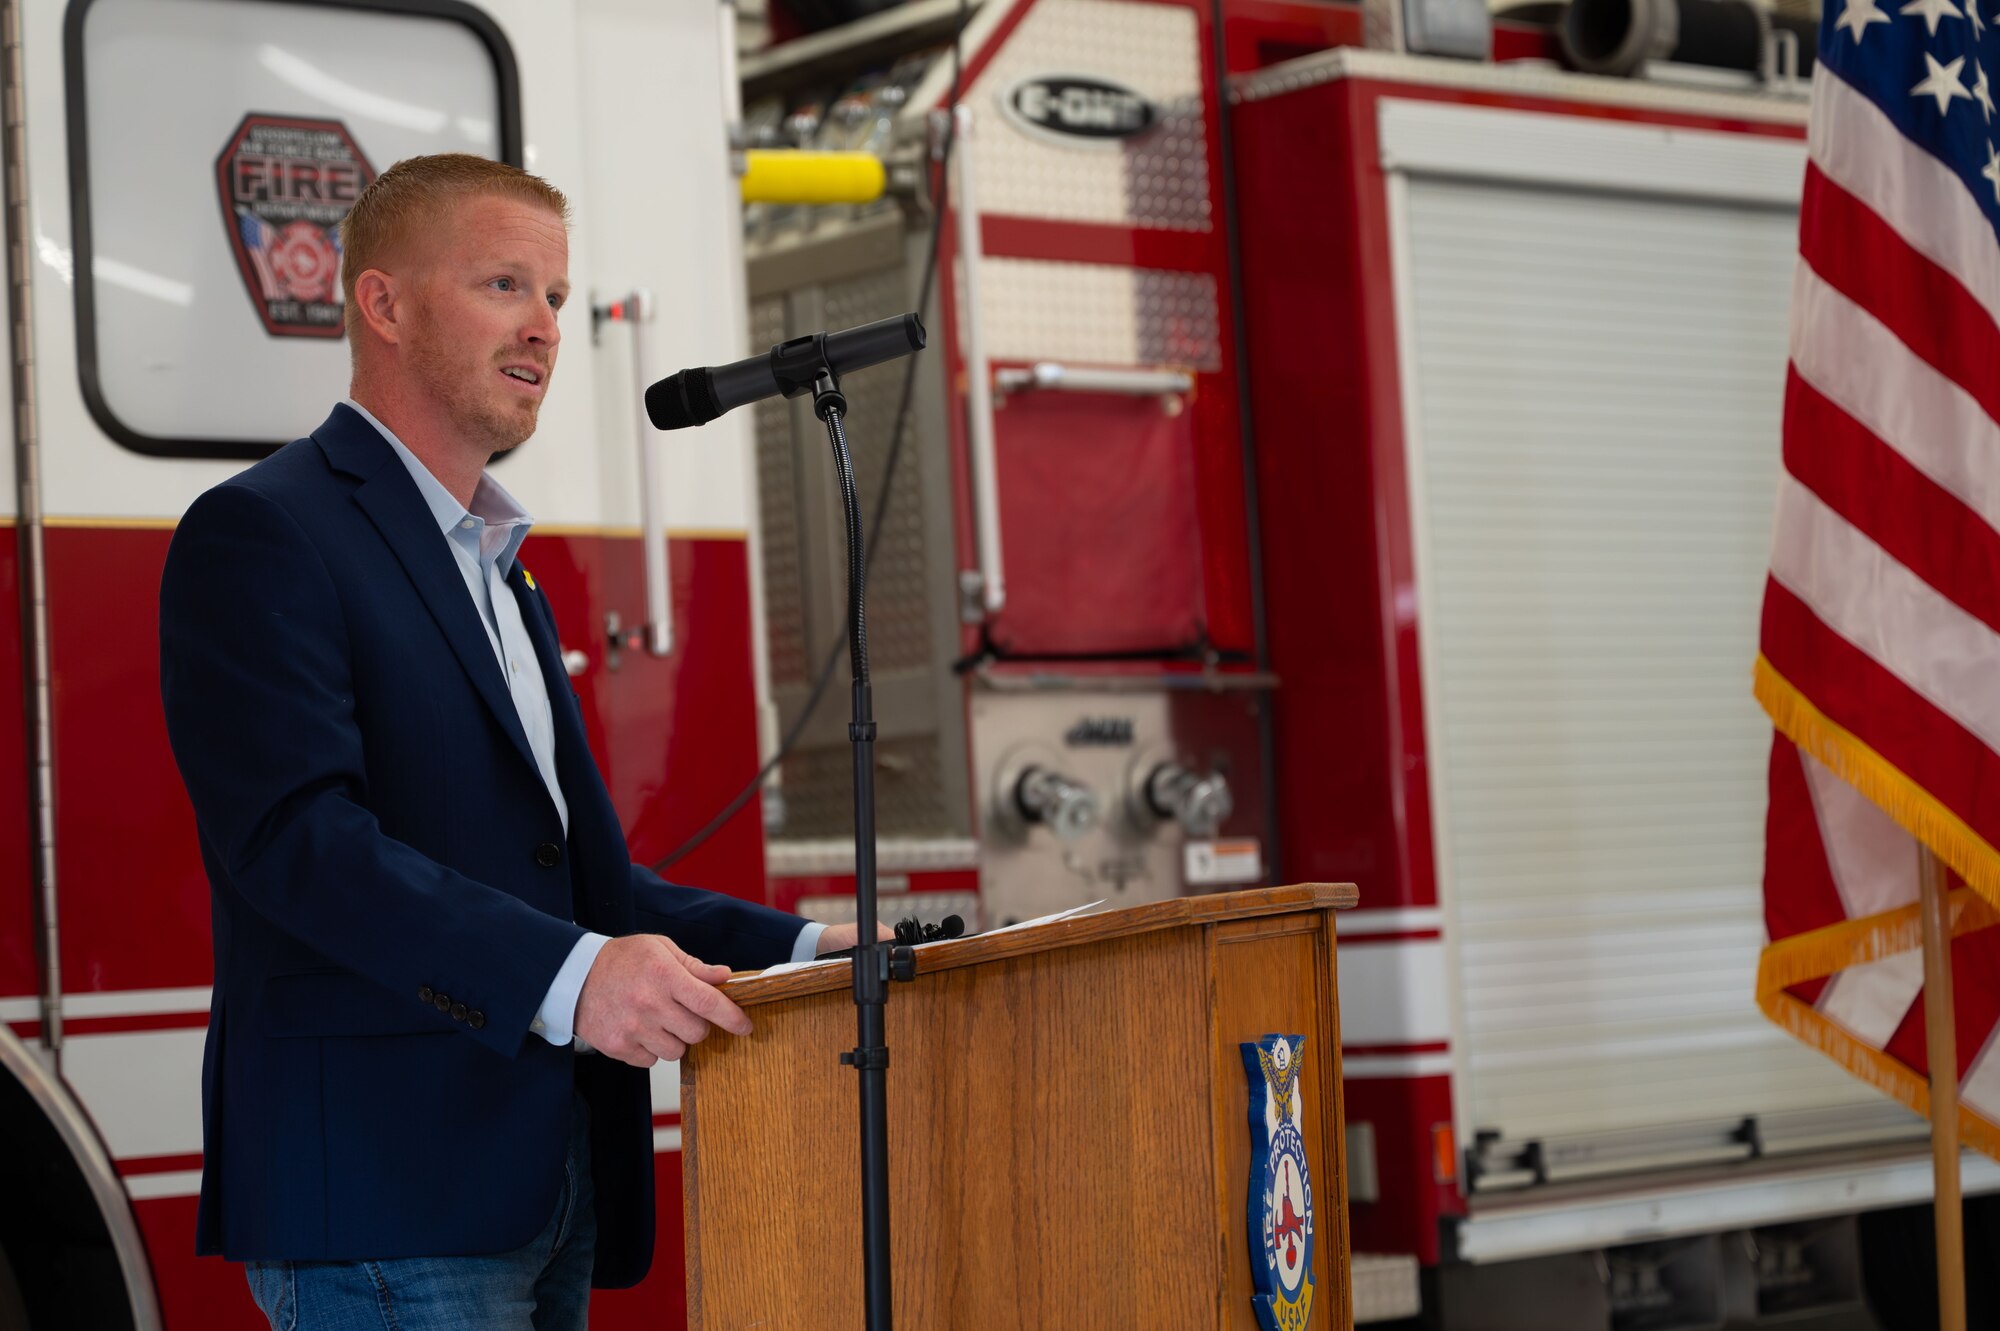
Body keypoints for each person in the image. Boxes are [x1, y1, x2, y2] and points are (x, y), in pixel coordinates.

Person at [159, 153, 875, 1329]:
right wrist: (573, 977)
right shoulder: (263, 531)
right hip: (391, 1200)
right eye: (503, 284)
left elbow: (570, 881)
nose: (544, 325)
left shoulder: (501, 572)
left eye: (553, 293)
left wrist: (805, 945)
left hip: (541, 1184)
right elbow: (297, 844)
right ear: (382, 305)